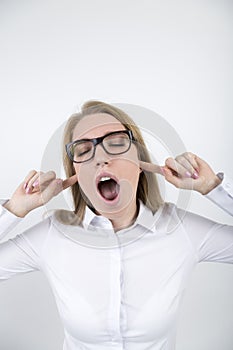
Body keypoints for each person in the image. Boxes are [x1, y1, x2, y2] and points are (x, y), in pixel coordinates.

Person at [0, 100, 232, 350]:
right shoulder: (53, 234)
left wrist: (212, 188)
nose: (101, 159)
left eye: (117, 144)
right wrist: (15, 209)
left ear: (140, 164)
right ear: (76, 174)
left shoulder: (180, 229)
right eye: (83, 150)